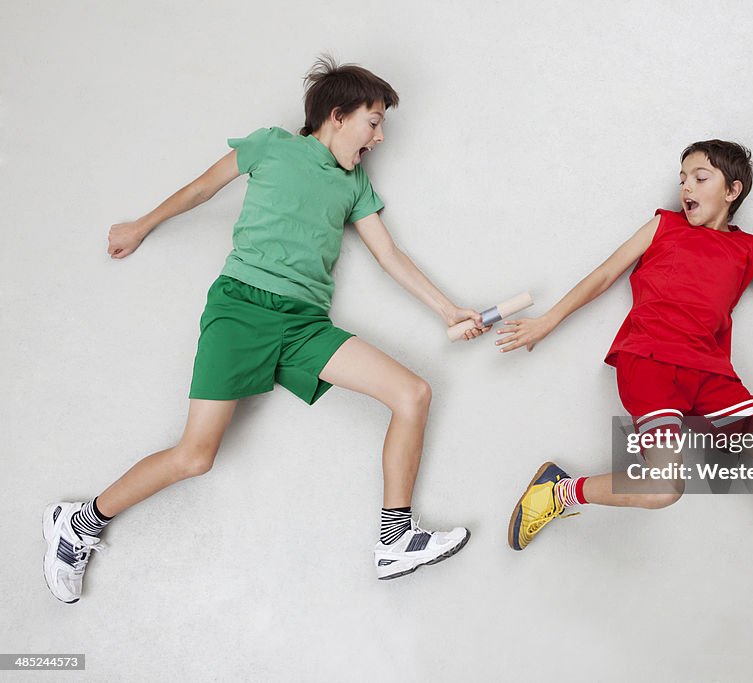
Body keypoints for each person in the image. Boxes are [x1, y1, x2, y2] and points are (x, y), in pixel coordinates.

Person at [43, 57, 482, 603]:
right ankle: (78, 523)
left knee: (413, 393)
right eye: (374, 121)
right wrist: (141, 224)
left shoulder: (354, 184)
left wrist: (447, 310)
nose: (381, 135)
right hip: (242, 309)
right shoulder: (273, 144)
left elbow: (389, 254)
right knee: (196, 456)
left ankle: (395, 541)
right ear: (338, 116)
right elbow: (204, 188)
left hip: (303, 324)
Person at [501, 140, 753, 614]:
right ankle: (559, 491)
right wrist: (546, 321)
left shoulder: (747, 248)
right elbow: (604, 276)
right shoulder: (663, 225)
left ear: (733, 190)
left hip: (710, 373)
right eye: (683, 177)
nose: (685, 185)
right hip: (650, 363)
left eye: (699, 177)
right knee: (665, 487)